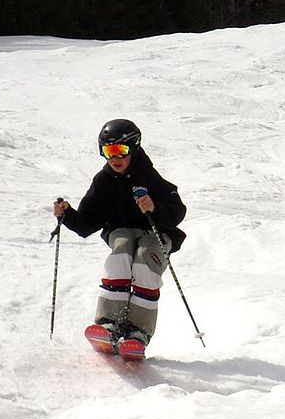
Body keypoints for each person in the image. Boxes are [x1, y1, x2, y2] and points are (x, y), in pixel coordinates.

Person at [53, 118, 186, 351]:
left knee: (146, 261)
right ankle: (110, 324)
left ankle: (138, 332)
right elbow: (87, 223)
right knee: (120, 254)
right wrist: (67, 215)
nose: (114, 158)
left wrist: (154, 208)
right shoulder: (103, 181)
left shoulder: (148, 175)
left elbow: (178, 211)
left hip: (156, 231)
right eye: (108, 151)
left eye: (120, 150)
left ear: (133, 147)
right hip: (122, 230)